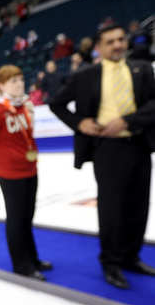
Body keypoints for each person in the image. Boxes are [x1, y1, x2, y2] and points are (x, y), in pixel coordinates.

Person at [49, 23, 155, 289]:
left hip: (139, 143)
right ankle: (111, 263)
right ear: (99, 47)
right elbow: (56, 103)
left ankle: (131, 257)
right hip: (107, 150)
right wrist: (80, 123)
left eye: (121, 40)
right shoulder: (86, 75)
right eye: (110, 41)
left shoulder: (141, 69)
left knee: (138, 206)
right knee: (111, 211)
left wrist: (128, 121)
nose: (117, 45)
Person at [0, 65, 52, 281]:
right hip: (11, 175)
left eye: (20, 79)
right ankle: (22, 265)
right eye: (12, 81)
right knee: (16, 220)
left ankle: (33, 259)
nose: (19, 84)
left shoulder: (25, 107)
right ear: (1, 86)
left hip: (30, 170)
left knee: (27, 218)